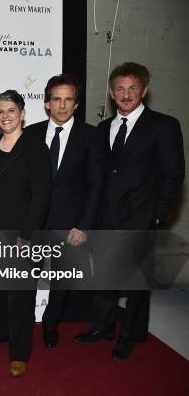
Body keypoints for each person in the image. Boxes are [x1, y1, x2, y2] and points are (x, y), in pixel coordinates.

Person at [74, 62, 184, 360]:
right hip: (104, 216)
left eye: (132, 88)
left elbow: (173, 174)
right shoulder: (103, 128)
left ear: (144, 91)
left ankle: (131, 335)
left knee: (136, 283)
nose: (126, 95)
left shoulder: (163, 125)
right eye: (120, 89)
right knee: (105, 276)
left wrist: (158, 213)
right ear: (111, 93)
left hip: (140, 216)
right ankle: (103, 326)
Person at [25, 74, 105, 347]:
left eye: (68, 99)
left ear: (76, 103)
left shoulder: (91, 136)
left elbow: (96, 185)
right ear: (47, 103)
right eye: (56, 99)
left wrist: (84, 225)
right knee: (24, 279)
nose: (62, 105)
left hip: (69, 224)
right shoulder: (31, 133)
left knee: (61, 283)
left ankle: (50, 324)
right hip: (32, 224)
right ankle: (21, 325)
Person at [0, 90, 50, 377]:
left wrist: (26, 235)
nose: (5, 116)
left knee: (20, 295)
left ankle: (20, 352)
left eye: (11, 111)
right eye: (0, 111)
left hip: (22, 235)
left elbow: (41, 196)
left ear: (22, 113)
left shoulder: (35, 147)